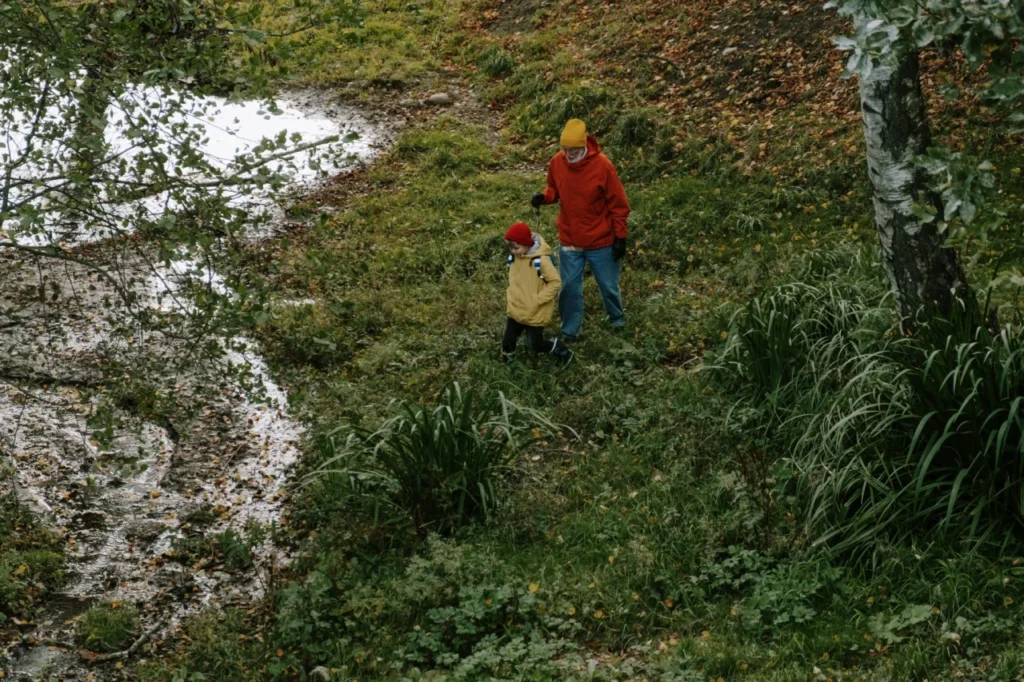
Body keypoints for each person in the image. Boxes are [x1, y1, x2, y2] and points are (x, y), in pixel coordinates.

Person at [532, 118, 630, 341]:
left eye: (573, 149)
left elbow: (619, 204)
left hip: (601, 240)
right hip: (570, 239)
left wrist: (620, 237)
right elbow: (554, 189)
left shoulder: (603, 166)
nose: (568, 154)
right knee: (569, 288)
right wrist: (543, 197)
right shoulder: (557, 162)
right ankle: (570, 331)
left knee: (608, 285)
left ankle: (616, 320)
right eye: (565, 149)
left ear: (584, 145)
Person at [501, 221, 574, 366]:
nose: (513, 251)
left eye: (516, 247)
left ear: (527, 244)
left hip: (535, 311)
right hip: (516, 308)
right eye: (511, 248)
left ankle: (560, 349)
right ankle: (508, 362)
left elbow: (555, 282)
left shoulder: (541, 261)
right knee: (508, 339)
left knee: (535, 344)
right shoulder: (515, 258)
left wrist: (537, 299)